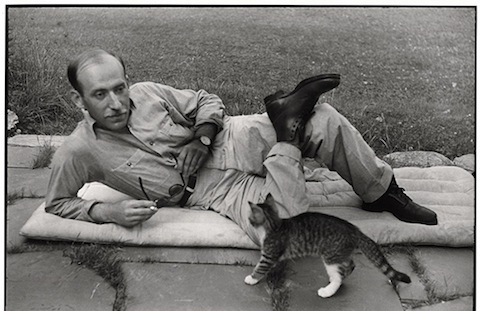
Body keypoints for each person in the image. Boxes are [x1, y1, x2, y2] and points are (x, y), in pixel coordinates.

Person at [45, 48, 438, 246]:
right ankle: (287, 131)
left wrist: (201, 136)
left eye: (120, 87)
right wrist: (105, 209)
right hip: (212, 192)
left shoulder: (148, 94)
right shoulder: (78, 151)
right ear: (80, 101)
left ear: (128, 81)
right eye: (100, 94)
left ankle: (382, 192)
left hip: (228, 138)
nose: (116, 102)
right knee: (285, 234)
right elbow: (57, 203)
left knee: (324, 120)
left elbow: (207, 100)